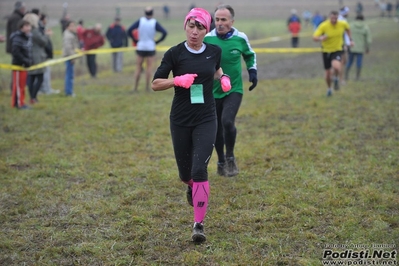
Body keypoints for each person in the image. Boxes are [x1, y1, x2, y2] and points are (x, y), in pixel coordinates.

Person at [152, 8, 231, 243]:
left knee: (199, 171)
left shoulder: (214, 51)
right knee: (186, 175)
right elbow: (155, 84)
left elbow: (216, 69)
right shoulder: (175, 53)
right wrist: (176, 80)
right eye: (191, 26)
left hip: (206, 118)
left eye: (200, 27)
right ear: (185, 25)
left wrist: (223, 78)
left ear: (207, 30)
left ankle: (198, 224)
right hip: (180, 119)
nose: (194, 32)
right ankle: (191, 186)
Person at [204, 4, 257, 177]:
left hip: (234, 88)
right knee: (216, 128)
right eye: (217, 19)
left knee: (227, 121)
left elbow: (249, 54)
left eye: (223, 20)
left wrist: (252, 71)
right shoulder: (208, 39)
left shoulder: (240, 38)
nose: (219, 23)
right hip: (212, 91)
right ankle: (220, 161)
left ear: (231, 21)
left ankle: (231, 157)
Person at [313, 11, 353, 97]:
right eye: (332, 18)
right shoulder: (324, 25)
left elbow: (348, 29)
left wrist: (350, 39)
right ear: (329, 18)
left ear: (338, 18)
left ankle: (336, 78)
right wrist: (321, 38)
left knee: (336, 67)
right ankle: (329, 88)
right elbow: (315, 37)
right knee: (327, 73)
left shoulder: (343, 24)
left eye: (335, 18)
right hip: (326, 50)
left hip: (337, 49)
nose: (334, 20)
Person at [128, 7, 167, 92]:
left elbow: (129, 30)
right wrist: (157, 42)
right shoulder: (154, 22)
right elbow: (164, 32)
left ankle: (135, 87)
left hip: (141, 46)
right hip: (150, 47)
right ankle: (147, 87)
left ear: (145, 13)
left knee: (138, 67)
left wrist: (135, 40)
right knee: (149, 68)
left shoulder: (140, 21)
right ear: (152, 13)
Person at [23, 11, 50, 105]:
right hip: (37, 57)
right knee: (39, 77)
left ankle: (32, 97)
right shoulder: (34, 31)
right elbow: (43, 42)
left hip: (29, 57)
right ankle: (33, 97)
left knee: (31, 77)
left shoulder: (26, 31)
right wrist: (46, 35)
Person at [10, 20, 32, 109]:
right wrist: (24, 61)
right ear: (21, 27)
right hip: (19, 65)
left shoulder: (27, 37)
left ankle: (19, 102)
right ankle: (19, 104)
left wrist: (29, 61)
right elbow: (16, 52)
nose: (28, 28)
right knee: (18, 86)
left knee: (22, 85)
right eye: (26, 26)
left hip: (24, 65)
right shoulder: (17, 38)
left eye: (29, 26)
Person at [345, 14, 372, 81]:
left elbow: (346, 35)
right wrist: (367, 48)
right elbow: (368, 40)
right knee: (359, 62)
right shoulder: (365, 27)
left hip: (352, 47)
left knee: (350, 61)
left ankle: (346, 76)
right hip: (360, 48)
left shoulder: (351, 25)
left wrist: (346, 44)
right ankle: (357, 77)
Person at [38, 13, 59, 95]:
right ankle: (45, 89)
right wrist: (47, 35)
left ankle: (47, 88)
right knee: (44, 73)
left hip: (45, 54)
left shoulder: (42, 28)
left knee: (46, 72)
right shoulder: (39, 29)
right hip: (43, 54)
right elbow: (42, 41)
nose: (46, 21)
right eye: (45, 19)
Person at [62, 20, 80, 96]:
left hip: (70, 56)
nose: (73, 27)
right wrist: (72, 56)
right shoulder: (68, 35)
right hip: (69, 57)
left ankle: (69, 90)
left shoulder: (70, 34)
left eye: (74, 25)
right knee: (69, 75)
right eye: (71, 26)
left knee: (70, 74)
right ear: (67, 27)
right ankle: (69, 92)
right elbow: (68, 47)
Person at [338, 6, 351, 84]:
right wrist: (346, 44)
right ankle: (340, 79)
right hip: (340, 44)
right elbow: (343, 34)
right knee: (341, 61)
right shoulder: (340, 21)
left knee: (343, 61)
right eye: (347, 12)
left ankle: (337, 78)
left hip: (343, 43)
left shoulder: (343, 20)